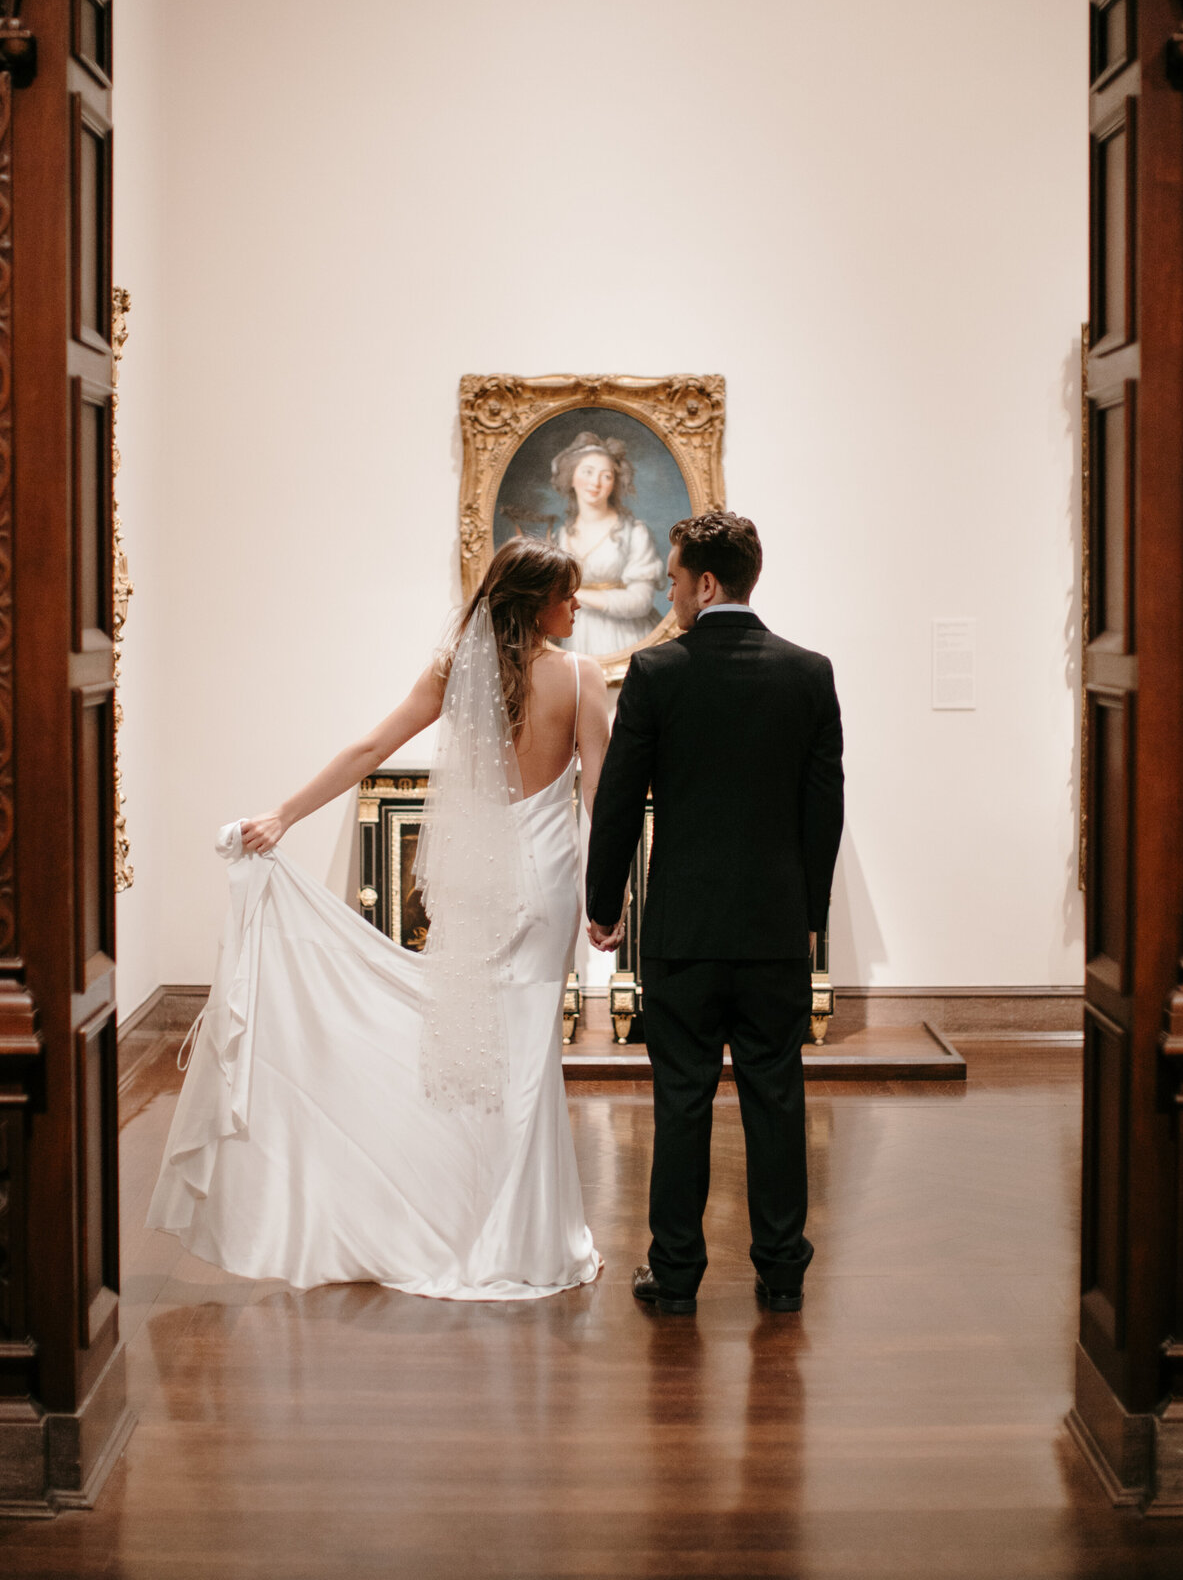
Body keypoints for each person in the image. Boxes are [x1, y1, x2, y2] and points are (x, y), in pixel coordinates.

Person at [146, 538, 610, 1301]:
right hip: (545, 886)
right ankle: (522, 1236)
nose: (577, 606)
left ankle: (474, 1223)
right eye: (568, 595)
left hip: (475, 886)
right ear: (536, 602)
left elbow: (369, 748)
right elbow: (602, 793)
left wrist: (285, 813)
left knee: (476, 1046)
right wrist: (606, 895)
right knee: (528, 1051)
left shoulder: (456, 669)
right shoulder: (582, 678)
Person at [585, 511, 844, 1315]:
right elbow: (823, 810)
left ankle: (675, 1274)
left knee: (682, 1098)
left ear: (704, 582)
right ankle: (782, 1274)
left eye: (671, 579)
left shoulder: (659, 673)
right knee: (776, 1093)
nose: (667, 592)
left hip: (684, 932)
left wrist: (603, 906)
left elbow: (619, 801)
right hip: (773, 929)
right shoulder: (809, 672)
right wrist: (810, 917)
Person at [550, 430, 666, 657]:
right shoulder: (560, 536)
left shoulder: (635, 532)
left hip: (628, 636)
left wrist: (575, 594)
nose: (595, 482)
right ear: (571, 477)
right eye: (587, 472)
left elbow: (640, 601)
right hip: (577, 636)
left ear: (615, 483)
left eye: (606, 476)